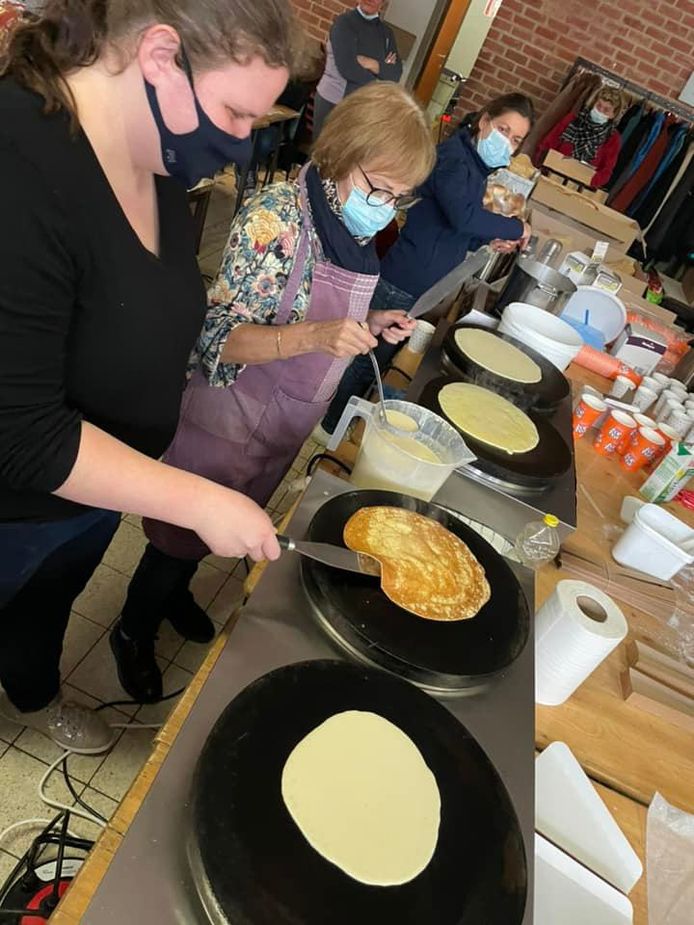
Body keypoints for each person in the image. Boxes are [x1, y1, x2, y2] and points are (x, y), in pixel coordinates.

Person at [0, 0, 296, 754]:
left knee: (47, 604)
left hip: (89, 496)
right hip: (15, 500)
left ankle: (32, 698)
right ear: (160, 55)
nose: (236, 147)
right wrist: (197, 498)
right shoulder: (20, 163)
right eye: (233, 114)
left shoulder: (148, 153)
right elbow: (21, 435)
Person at [115, 82, 435, 703]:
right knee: (176, 536)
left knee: (217, 533)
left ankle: (177, 590)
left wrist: (367, 327)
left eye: (399, 198)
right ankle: (131, 630)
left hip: (281, 424)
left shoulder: (352, 229)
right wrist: (316, 334)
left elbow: (327, 312)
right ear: (343, 154)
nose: (385, 208)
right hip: (229, 416)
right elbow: (214, 336)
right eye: (379, 189)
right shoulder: (277, 219)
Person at [319, 92, 534, 439]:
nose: (506, 142)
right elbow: (463, 217)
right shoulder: (454, 159)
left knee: (382, 355)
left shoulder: (475, 168)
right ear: (484, 121)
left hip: (425, 281)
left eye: (516, 139)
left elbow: (452, 229)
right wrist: (515, 227)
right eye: (503, 129)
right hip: (405, 276)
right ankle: (330, 425)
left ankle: (342, 417)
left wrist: (487, 240)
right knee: (366, 356)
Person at [313, 0, 402, 138]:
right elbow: (348, 69)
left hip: (361, 109)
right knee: (321, 155)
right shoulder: (344, 23)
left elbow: (395, 74)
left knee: (345, 158)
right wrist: (381, 70)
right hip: (333, 102)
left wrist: (371, 63)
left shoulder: (386, 34)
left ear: (383, 3)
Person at [535, 86, 624, 189]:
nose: (600, 111)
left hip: (579, 188)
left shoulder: (612, 138)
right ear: (593, 103)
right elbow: (547, 144)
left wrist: (587, 179)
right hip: (549, 176)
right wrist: (542, 165)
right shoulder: (572, 119)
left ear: (613, 114)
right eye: (599, 106)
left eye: (606, 110)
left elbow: (606, 171)